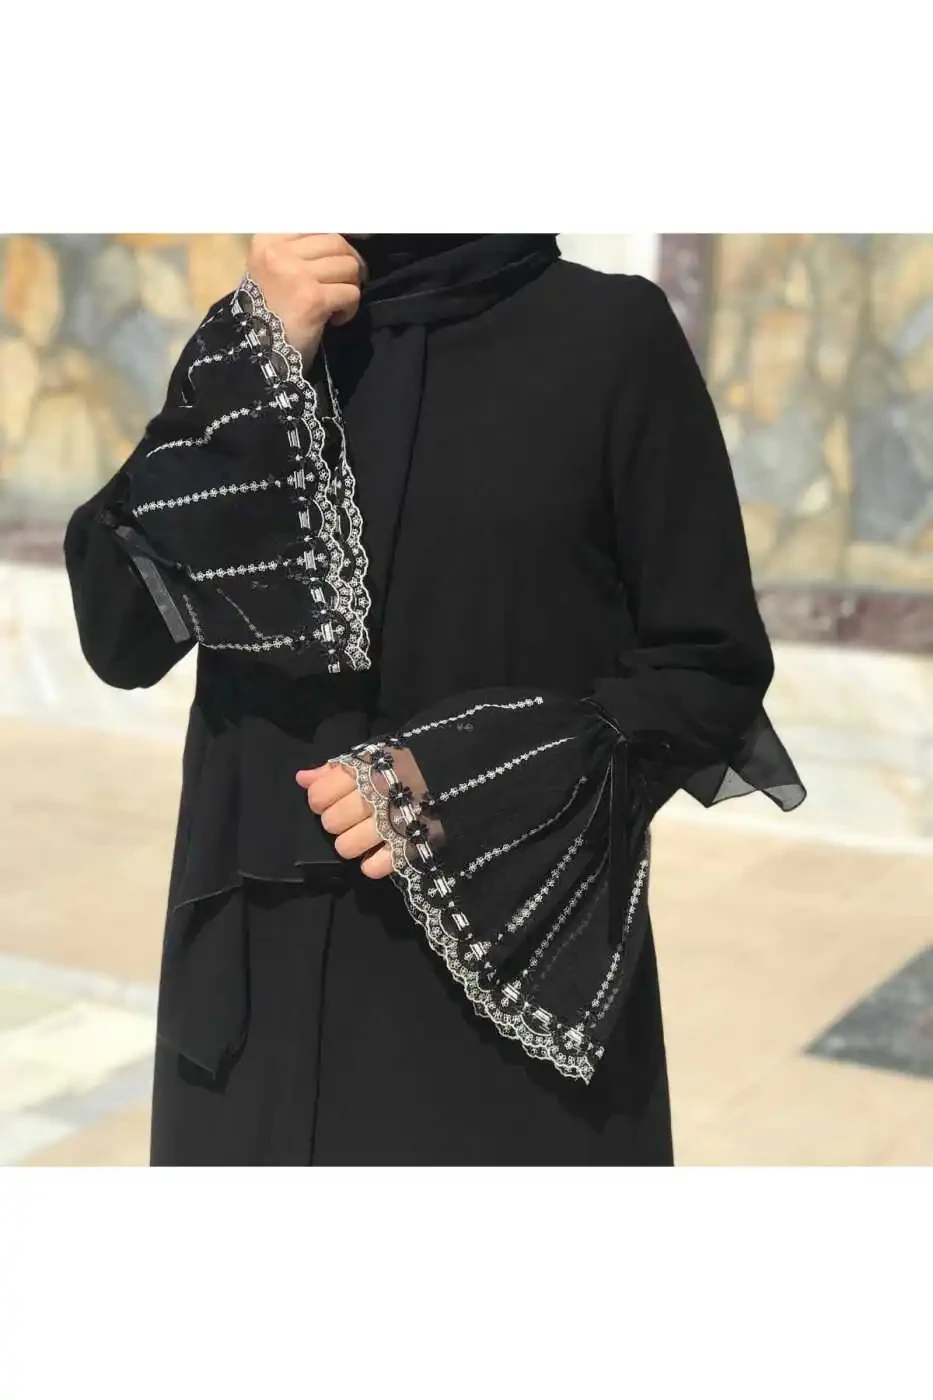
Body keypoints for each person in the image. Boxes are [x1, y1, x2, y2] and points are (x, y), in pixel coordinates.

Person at [64, 233, 805, 1166]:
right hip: (260, 1013)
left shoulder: (608, 337)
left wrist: (471, 781)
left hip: (496, 999)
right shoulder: (272, 333)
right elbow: (121, 633)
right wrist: (255, 363)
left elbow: (708, 664)